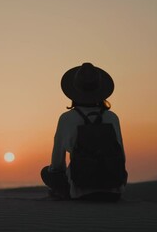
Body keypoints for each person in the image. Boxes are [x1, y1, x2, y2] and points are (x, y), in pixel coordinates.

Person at [41, 62, 127, 201]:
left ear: (74, 91)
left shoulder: (67, 118)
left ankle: (64, 193)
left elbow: (57, 163)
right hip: (114, 190)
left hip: (81, 190)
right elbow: (121, 156)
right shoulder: (112, 117)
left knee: (46, 172)